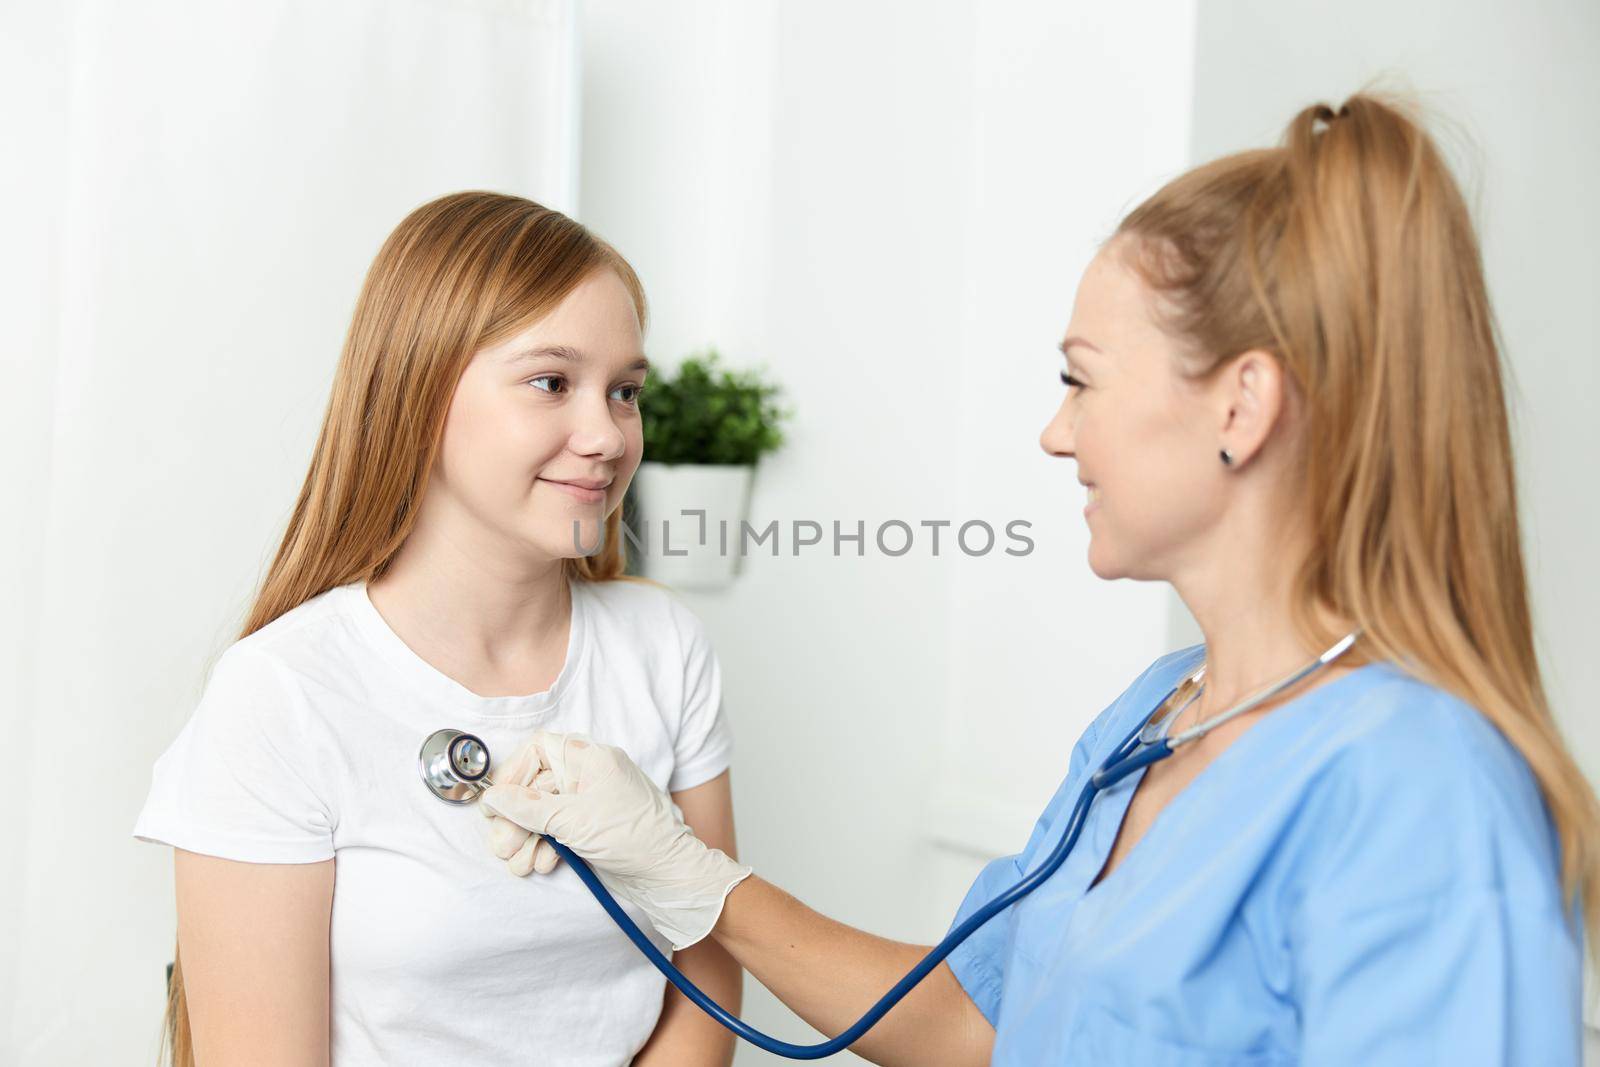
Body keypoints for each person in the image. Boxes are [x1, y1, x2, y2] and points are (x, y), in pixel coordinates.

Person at [477, 95, 1597, 1065]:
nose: (1057, 433)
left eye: (1081, 380)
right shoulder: (1156, 715)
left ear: (1241, 405)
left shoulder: (1420, 789)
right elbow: (974, 1024)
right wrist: (683, 872)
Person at [131, 192, 743, 1066]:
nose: (607, 434)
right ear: (419, 392)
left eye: (625, 391)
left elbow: (712, 973)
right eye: (551, 382)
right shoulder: (280, 693)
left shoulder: (664, 648)